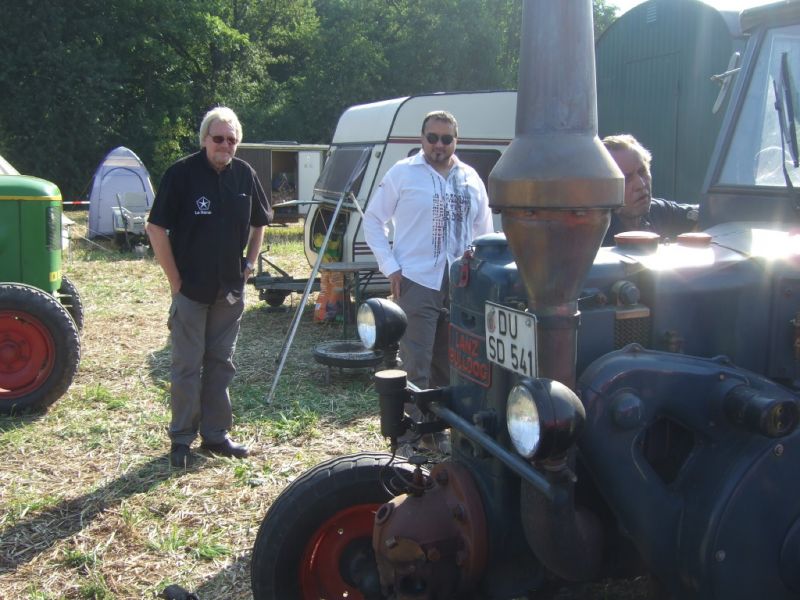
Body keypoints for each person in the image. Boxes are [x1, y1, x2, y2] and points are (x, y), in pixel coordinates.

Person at [146, 106, 272, 468]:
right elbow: (156, 229)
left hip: (229, 291)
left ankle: (216, 435)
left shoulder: (245, 175)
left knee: (221, 363)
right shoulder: (182, 174)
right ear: (204, 140)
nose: (225, 145)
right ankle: (182, 439)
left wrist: (249, 264)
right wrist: (175, 282)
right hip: (191, 289)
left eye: (232, 140)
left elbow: (259, 222)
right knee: (186, 365)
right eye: (218, 138)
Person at [363, 110, 493, 389]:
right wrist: (390, 266)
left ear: (456, 141)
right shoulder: (403, 172)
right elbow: (373, 219)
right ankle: (413, 432)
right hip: (416, 280)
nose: (439, 144)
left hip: (461, 284)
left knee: (453, 362)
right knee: (415, 363)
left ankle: (441, 430)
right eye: (432, 137)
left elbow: (485, 231)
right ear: (421, 139)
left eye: (446, 139)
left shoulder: (471, 178)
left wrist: (480, 273)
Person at [602, 134, 698, 246]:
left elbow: (703, 215)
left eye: (642, 171)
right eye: (626, 178)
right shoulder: (593, 233)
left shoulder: (658, 212)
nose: (641, 184)